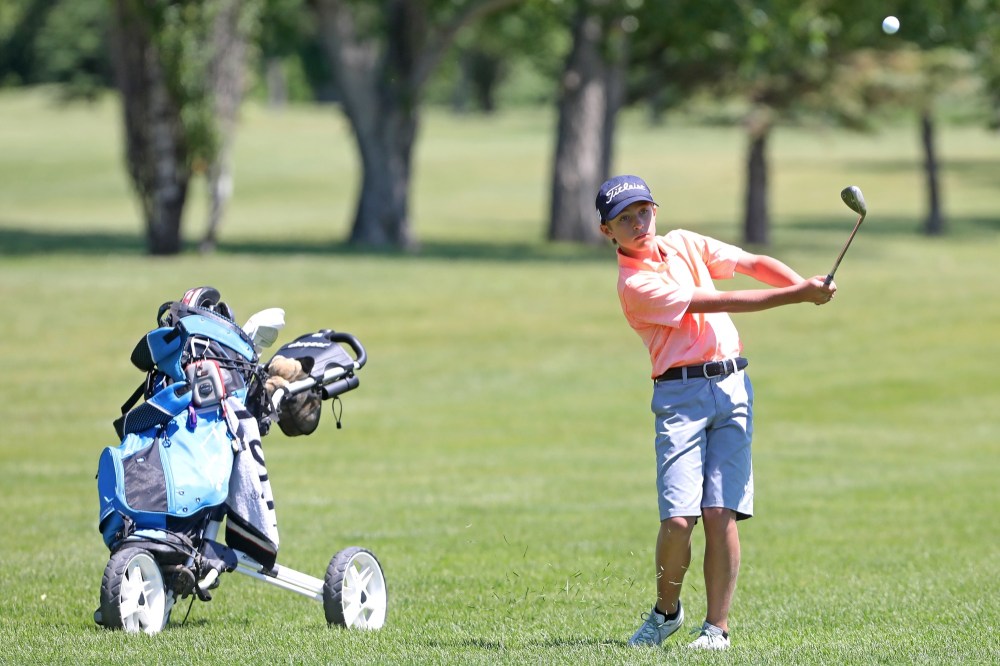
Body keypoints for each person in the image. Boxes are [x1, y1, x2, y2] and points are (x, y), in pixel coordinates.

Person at [595, 175, 836, 650]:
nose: (639, 223)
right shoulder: (635, 283)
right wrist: (797, 295)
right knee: (679, 520)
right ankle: (666, 612)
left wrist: (806, 286)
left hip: (732, 388)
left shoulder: (684, 242)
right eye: (625, 218)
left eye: (643, 211)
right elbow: (723, 300)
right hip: (679, 400)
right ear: (608, 232)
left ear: (655, 210)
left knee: (719, 513)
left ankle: (716, 630)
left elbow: (750, 263)